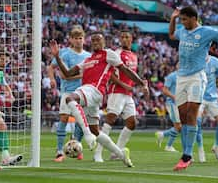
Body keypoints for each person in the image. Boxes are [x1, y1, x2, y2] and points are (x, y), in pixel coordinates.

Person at [50, 31, 149, 167]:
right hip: (92, 95)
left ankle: (87, 135)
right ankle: (122, 156)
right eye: (93, 40)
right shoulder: (88, 60)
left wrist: (141, 82)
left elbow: (125, 70)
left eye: (98, 40)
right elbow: (67, 73)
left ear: (104, 42)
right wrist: (57, 57)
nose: (96, 42)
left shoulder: (108, 54)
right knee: (96, 130)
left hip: (95, 90)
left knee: (70, 99)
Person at [168, 1, 218, 171]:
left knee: (193, 113)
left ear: (194, 18)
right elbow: (172, 35)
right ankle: (188, 154)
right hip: (181, 78)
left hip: (197, 77)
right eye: (181, 20)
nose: (183, 23)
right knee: (183, 116)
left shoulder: (206, 32)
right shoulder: (182, 31)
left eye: (184, 19)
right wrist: (173, 19)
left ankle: (186, 155)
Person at [93, 30, 143, 162]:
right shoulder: (117, 54)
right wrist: (124, 85)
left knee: (132, 123)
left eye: (127, 37)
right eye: (122, 37)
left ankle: (117, 151)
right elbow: (111, 74)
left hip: (128, 94)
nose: (124, 39)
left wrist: (140, 85)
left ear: (131, 39)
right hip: (116, 92)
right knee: (110, 120)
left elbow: (132, 75)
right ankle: (98, 153)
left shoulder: (134, 55)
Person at [48, 26, 91, 162]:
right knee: (64, 118)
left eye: (80, 38)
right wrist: (52, 79)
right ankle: (60, 151)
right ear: (71, 40)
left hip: (83, 92)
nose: (78, 41)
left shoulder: (88, 56)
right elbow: (58, 71)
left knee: (80, 122)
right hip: (68, 91)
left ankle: (77, 148)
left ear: (84, 39)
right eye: (76, 38)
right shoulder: (65, 53)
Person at [195, 55, 218, 163]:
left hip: (213, 97)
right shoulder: (195, 58)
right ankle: (200, 149)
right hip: (198, 97)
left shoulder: (216, 61)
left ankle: (216, 146)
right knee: (197, 122)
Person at [155, 66, 181, 152]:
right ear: (177, 66)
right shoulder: (172, 76)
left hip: (180, 103)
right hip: (172, 103)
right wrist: (174, 97)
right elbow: (164, 90)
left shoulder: (185, 76)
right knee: (178, 126)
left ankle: (163, 136)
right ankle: (167, 144)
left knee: (179, 126)